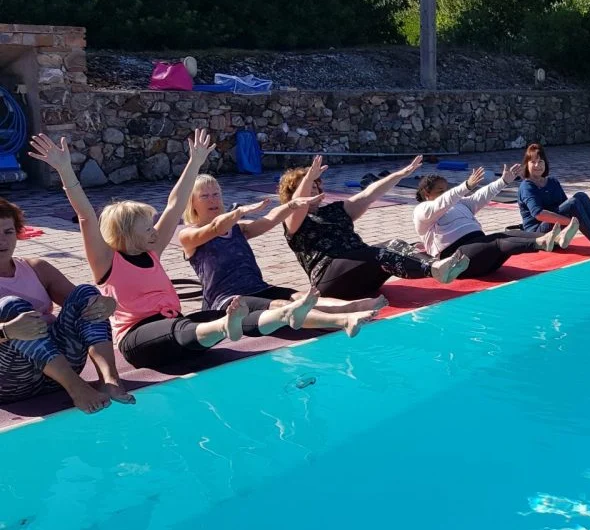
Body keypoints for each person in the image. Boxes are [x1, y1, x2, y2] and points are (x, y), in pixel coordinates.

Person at [30, 130, 321, 370]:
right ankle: (225, 328)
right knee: (189, 329)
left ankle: (286, 315)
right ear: (127, 231)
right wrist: (65, 170)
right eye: (146, 225)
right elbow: (85, 216)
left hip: (175, 327)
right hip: (138, 338)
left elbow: (175, 205)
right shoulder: (106, 261)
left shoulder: (152, 249)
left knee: (214, 319)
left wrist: (194, 162)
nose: (153, 229)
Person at [180, 175, 383, 337]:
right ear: (193, 203)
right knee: (282, 306)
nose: (213, 199)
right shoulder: (189, 235)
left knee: (302, 296)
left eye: (216, 194)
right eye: (205, 196)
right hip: (228, 300)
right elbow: (216, 227)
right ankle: (342, 321)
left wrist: (292, 205)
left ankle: (355, 306)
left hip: (258, 287)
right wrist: (239, 212)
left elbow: (268, 220)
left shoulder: (238, 229)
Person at [0, 197, 131, 412]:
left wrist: (107, 304)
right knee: (11, 306)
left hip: (60, 368)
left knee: (86, 294)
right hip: (11, 381)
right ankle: (77, 388)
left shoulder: (36, 268)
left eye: (8, 232)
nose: (2, 241)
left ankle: (109, 380)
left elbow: (83, 307)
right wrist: (7, 331)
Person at [278, 155, 469, 300]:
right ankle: (435, 268)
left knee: (395, 244)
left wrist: (399, 175)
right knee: (377, 252)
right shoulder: (293, 220)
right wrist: (308, 177)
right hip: (331, 281)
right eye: (307, 186)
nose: (312, 189)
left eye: (314, 185)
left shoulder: (335, 210)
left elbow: (369, 194)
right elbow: (298, 204)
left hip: (361, 279)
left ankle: (436, 266)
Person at [414, 163, 576, 278]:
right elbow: (441, 203)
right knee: (497, 241)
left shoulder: (460, 203)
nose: (446, 192)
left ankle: (556, 239)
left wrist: (503, 181)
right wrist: (466, 186)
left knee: (510, 234)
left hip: (482, 256)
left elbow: (481, 196)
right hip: (455, 261)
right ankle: (539, 242)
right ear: (427, 194)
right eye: (440, 190)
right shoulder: (423, 211)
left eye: (447, 189)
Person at [517, 143, 590, 254]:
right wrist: (571, 222)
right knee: (573, 203)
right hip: (537, 233)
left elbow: (566, 206)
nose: (537, 165)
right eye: (533, 162)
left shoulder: (552, 182)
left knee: (581, 196)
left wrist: (573, 221)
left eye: (540, 161)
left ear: (545, 163)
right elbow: (539, 214)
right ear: (527, 165)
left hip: (555, 227)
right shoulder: (526, 186)